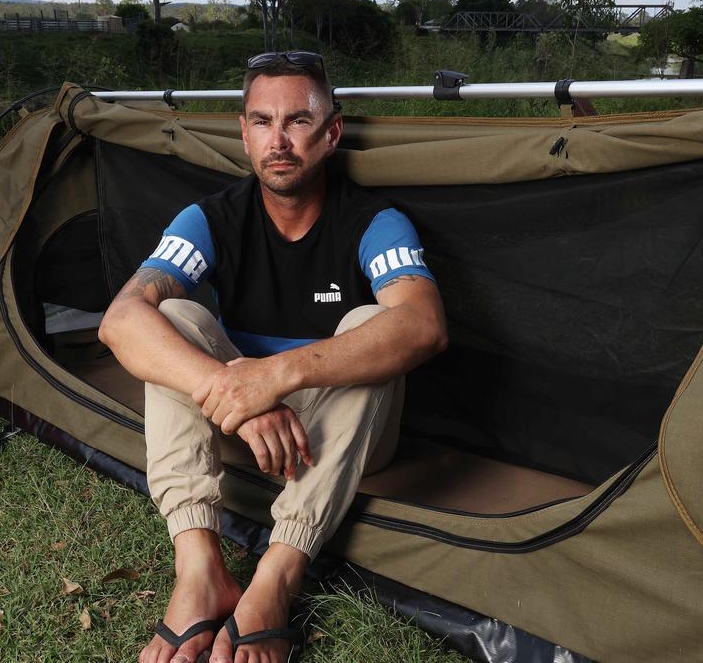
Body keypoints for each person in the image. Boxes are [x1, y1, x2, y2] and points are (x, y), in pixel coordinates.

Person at [98, 50, 448, 663]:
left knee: (375, 322)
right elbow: (121, 320)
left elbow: (423, 325)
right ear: (243, 132)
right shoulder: (210, 219)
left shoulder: (375, 223)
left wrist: (274, 377)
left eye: (298, 121)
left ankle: (276, 576)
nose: (278, 141)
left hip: (341, 436)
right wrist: (236, 391)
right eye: (262, 122)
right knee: (170, 318)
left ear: (332, 132)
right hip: (242, 426)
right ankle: (200, 568)